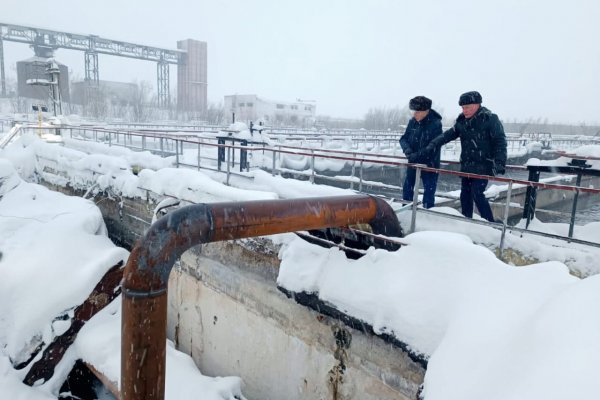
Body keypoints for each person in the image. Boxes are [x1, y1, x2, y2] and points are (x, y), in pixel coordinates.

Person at [426, 91, 507, 222]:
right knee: (465, 195)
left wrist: (500, 162)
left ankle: (491, 224)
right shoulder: (462, 122)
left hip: (484, 165)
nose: (465, 110)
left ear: (477, 105)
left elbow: (500, 142)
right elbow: (448, 135)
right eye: (463, 108)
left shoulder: (490, 119)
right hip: (467, 165)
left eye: (467, 107)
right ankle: (466, 221)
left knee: (477, 194)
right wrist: (433, 144)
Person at [399, 96, 442, 208]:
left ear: (426, 111)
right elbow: (403, 138)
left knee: (429, 190)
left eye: (417, 112)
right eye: (414, 111)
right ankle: (406, 209)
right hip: (413, 162)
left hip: (429, 164)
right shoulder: (413, 122)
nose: (415, 114)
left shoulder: (435, 124)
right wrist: (407, 151)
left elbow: (433, 146)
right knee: (407, 188)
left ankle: (427, 214)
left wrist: (417, 155)